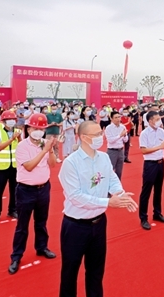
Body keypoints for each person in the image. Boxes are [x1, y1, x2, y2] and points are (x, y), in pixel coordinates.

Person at [58, 120, 138, 297]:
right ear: (84, 138)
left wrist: (119, 193)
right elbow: (76, 197)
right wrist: (108, 202)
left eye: (100, 134)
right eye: (96, 135)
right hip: (75, 227)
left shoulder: (103, 157)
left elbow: (111, 178)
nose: (100, 138)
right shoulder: (71, 163)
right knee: (69, 273)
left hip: (99, 224)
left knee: (95, 272)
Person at [8, 113, 57, 275]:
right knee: (22, 225)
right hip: (26, 190)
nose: (38, 131)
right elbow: (29, 166)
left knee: (41, 222)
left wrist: (50, 151)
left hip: (43, 188)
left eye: (41, 128)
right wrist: (44, 150)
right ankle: (16, 256)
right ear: (28, 129)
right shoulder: (22, 146)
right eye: (35, 128)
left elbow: (53, 164)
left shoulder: (45, 143)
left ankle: (42, 247)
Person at [138, 110, 164, 230]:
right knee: (146, 191)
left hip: (161, 163)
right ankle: (143, 217)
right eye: (157, 119)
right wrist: (160, 147)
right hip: (150, 164)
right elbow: (144, 150)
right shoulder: (144, 133)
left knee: (158, 190)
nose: (159, 121)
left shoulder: (161, 130)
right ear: (150, 120)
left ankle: (157, 213)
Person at [0, 110, 21, 225]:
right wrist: (12, 139)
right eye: (8, 120)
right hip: (1, 167)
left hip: (14, 166)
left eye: (13, 119)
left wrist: (18, 138)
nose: (11, 122)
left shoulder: (18, 131)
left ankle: (12, 210)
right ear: (3, 121)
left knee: (15, 190)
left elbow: (21, 146)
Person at [104, 111, 129, 180]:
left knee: (119, 171)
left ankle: (118, 187)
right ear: (111, 119)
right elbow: (110, 141)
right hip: (112, 151)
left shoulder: (122, 126)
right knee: (110, 170)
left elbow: (126, 140)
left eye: (119, 117)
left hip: (121, 150)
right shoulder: (108, 128)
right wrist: (120, 135)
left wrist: (124, 136)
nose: (118, 119)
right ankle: (109, 188)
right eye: (116, 117)